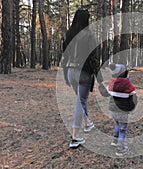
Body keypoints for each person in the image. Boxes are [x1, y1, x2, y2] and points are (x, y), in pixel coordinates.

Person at [61, 9, 106, 148]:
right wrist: (101, 81)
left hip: (70, 71)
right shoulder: (89, 36)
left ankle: (87, 124)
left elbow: (64, 56)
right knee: (80, 102)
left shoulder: (68, 35)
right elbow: (94, 60)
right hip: (83, 73)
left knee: (81, 99)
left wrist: (65, 75)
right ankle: (75, 137)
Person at [107, 63, 137, 157]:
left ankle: (115, 140)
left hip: (112, 110)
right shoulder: (126, 83)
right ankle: (121, 149)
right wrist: (131, 107)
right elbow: (133, 95)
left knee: (117, 124)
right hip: (122, 111)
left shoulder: (112, 82)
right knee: (123, 129)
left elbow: (108, 91)